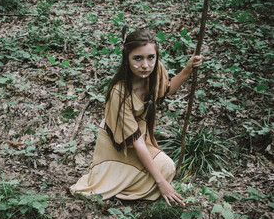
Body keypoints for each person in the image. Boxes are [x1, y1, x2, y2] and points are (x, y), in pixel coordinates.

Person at [70, 27, 203, 207]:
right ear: (127, 59)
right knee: (161, 173)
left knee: (167, 168)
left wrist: (187, 70)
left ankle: (134, 186)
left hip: (140, 135)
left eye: (150, 57)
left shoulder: (155, 71)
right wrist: (162, 184)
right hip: (119, 140)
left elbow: (168, 89)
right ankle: (122, 188)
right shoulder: (120, 92)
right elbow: (136, 142)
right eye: (137, 58)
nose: (146, 65)